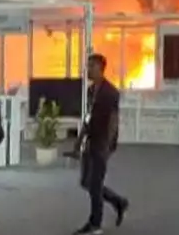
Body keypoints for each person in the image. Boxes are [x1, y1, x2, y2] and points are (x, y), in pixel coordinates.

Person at [70, 53, 129, 235]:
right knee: (86, 182)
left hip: (102, 142)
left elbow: (114, 120)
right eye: (87, 67)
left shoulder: (110, 92)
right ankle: (118, 201)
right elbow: (88, 118)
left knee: (95, 184)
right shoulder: (90, 91)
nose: (88, 70)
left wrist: (108, 145)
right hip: (90, 140)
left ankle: (95, 223)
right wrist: (79, 141)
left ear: (100, 68)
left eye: (91, 67)